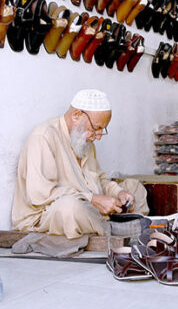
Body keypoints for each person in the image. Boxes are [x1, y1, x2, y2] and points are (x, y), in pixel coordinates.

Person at [11, 89, 149, 238]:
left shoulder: (85, 142)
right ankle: (116, 230)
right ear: (76, 115)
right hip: (45, 217)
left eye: (102, 129)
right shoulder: (43, 137)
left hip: (88, 207)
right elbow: (40, 195)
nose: (99, 136)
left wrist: (119, 193)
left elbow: (100, 179)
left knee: (134, 187)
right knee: (69, 208)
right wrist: (92, 199)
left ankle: (121, 227)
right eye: (96, 128)